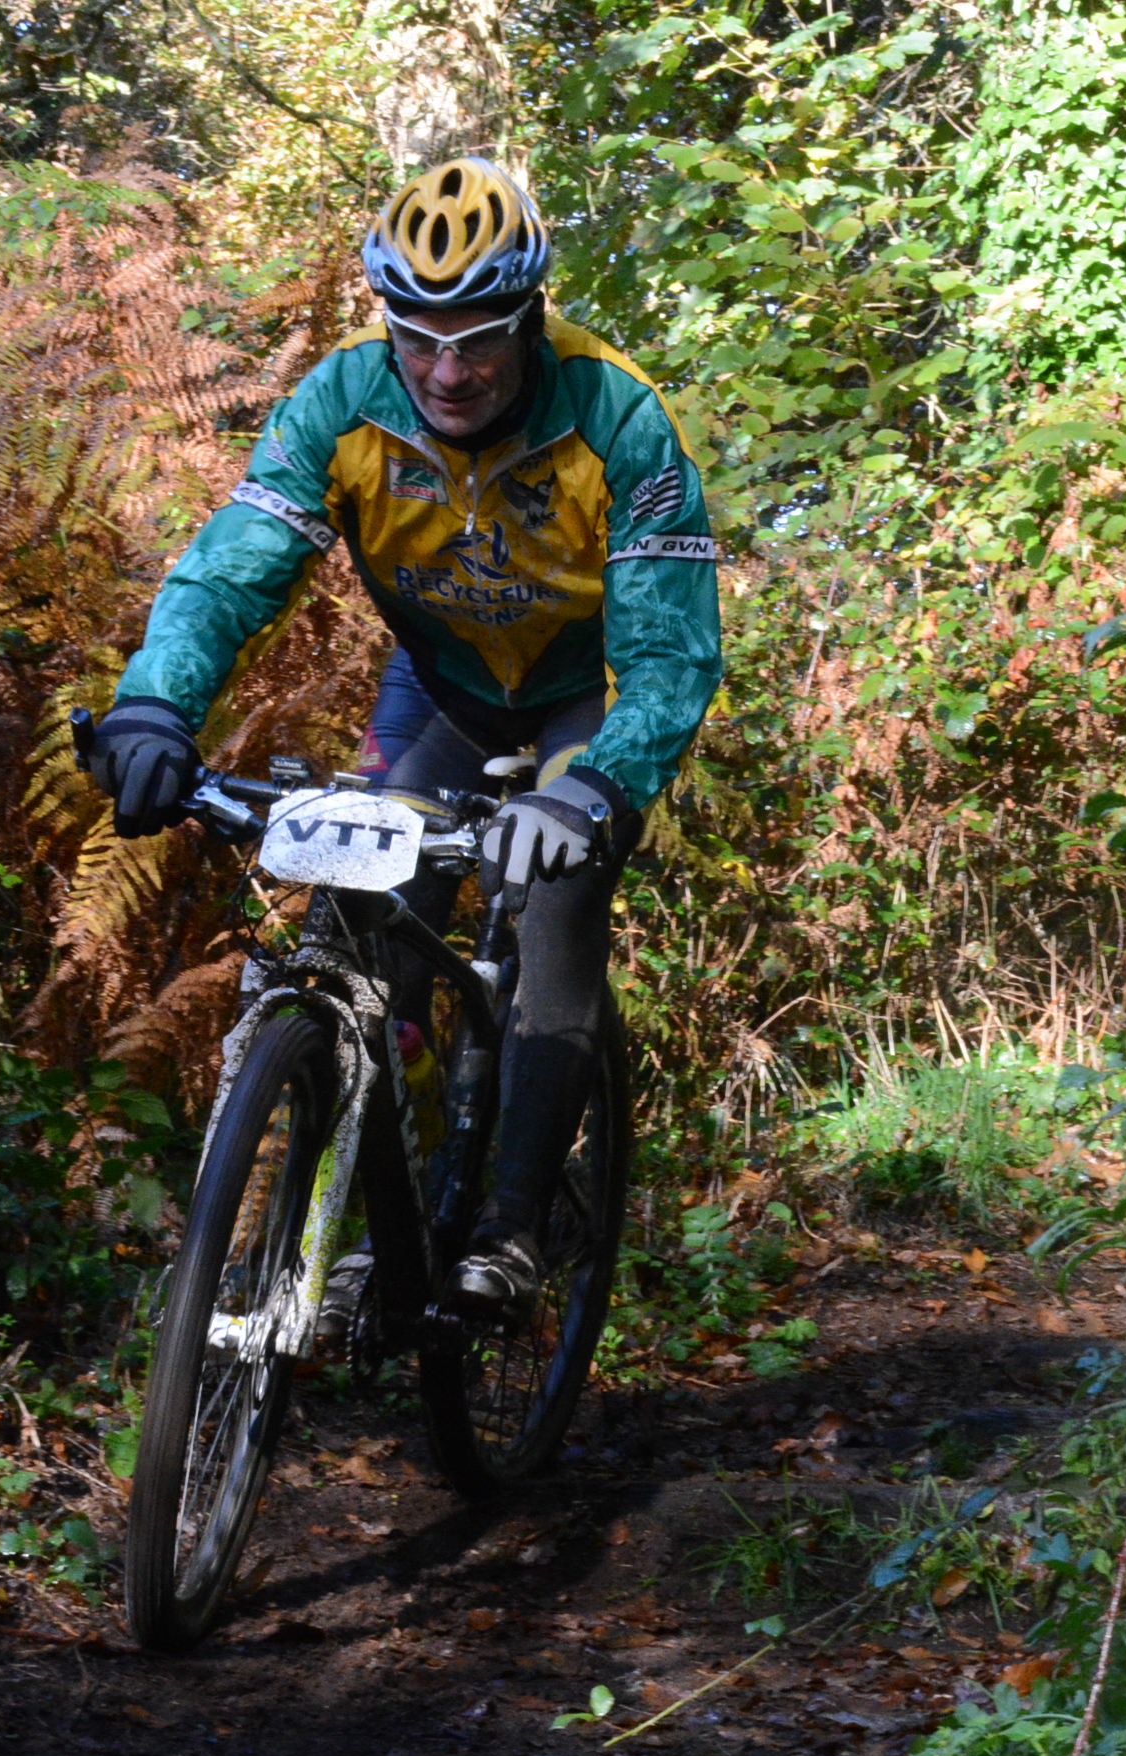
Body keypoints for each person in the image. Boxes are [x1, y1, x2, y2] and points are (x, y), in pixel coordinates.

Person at [84, 158, 723, 1315]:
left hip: (584, 698)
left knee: (560, 891)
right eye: (418, 336)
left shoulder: (616, 414)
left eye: (478, 339)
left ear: (529, 315)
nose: (446, 369)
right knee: (366, 915)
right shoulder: (342, 400)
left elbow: (671, 653)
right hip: (443, 690)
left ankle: (510, 1224)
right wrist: (154, 708)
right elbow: (231, 571)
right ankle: (395, 1209)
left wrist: (599, 788)